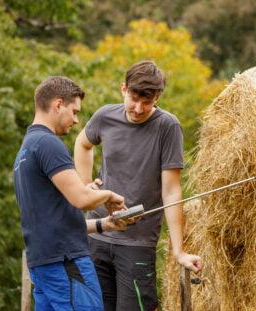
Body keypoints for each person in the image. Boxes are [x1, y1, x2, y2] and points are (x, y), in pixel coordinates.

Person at [74, 60, 202, 310]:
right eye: (134, 99)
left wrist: (179, 251)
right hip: (96, 236)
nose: (139, 108)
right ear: (123, 88)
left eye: (148, 102)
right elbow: (82, 143)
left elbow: (171, 190)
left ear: (158, 97)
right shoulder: (105, 116)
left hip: (137, 244)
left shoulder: (168, 126)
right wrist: (85, 184)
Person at [13, 76, 133, 310]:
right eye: (74, 111)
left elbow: (53, 219)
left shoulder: (26, 148)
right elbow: (81, 200)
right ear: (58, 104)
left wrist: (103, 225)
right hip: (66, 262)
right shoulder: (49, 143)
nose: (76, 120)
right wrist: (108, 195)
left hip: (43, 264)